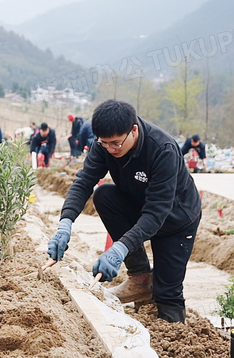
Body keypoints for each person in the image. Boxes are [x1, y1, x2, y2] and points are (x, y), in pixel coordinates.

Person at [47, 100, 201, 323]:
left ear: (134, 131)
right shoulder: (104, 145)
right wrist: (65, 223)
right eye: (105, 143)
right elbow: (84, 182)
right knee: (104, 195)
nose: (110, 149)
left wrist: (119, 248)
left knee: (167, 293)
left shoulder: (162, 150)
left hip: (175, 219)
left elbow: (156, 213)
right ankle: (139, 278)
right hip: (140, 204)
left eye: (116, 143)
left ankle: (173, 334)